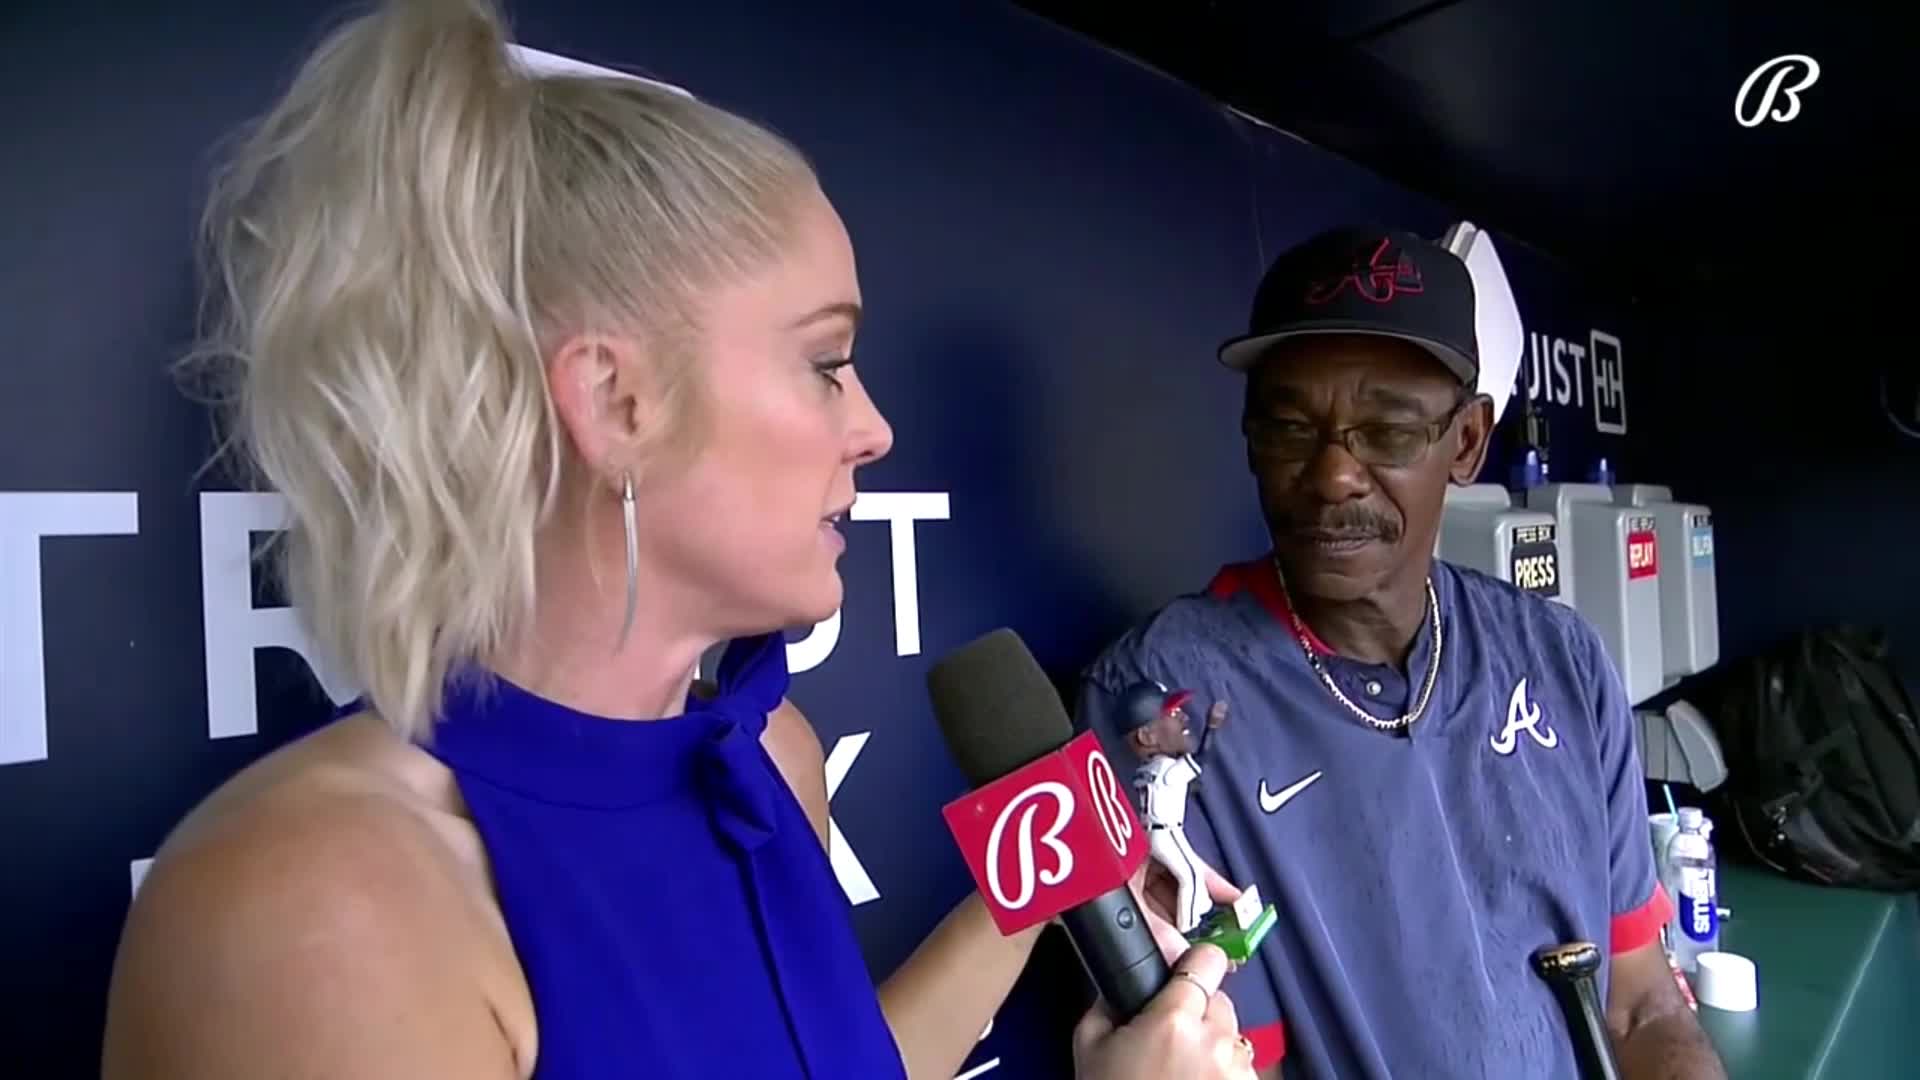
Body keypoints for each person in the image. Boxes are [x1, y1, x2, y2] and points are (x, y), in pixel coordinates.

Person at [98, 2, 1255, 1078]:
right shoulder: (316, 912)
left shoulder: (770, 757)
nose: (873, 428)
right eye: (824, 362)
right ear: (613, 404)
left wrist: (1061, 888)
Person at [1075, 225, 1728, 1079]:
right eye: (1288, 429)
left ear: (1466, 443)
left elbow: (1640, 1002)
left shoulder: (1561, 657)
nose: (1333, 474)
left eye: (1385, 431)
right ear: (1248, 439)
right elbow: (1226, 1065)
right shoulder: (1156, 705)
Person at [1118, 682, 1228, 934]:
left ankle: (1203, 911)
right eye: (1172, 714)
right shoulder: (1166, 768)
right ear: (1147, 736)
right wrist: (1212, 728)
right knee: (1189, 875)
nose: (1185, 717)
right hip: (1163, 832)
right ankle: (1189, 927)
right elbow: (1199, 761)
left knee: (1194, 871)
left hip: (1160, 831)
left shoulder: (1153, 768)